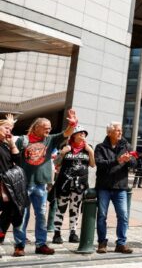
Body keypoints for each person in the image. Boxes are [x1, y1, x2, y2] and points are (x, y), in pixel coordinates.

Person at [12, 109, 77, 257]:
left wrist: (72, 123)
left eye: (50, 127)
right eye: (45, 127)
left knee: (41, 215)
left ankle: (41, 244)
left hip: (41, 185)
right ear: (36, 127)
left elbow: (67, 133)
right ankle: (19, 245)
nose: (49, 129)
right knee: (22, 216)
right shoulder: (23, 140)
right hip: (24, 185)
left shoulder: (50, 139)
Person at [95, 122, 134, 254]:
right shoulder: (100, 147)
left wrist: (129, 160)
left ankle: (121, 244)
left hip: (120, 187)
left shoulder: (126, 146)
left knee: (123, 216)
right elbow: (100, 164)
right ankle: (102, 242)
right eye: (117, 130)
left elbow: (135, 163)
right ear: (109, 132)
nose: (120, 133)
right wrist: (118, 160)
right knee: (101, 216)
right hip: (104, 187)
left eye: (121, 130)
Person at [52, 125, 95, 244]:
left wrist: (91, 152)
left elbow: (92, 164)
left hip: (79, 185)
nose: (83, 135)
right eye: (81, 132)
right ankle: (57, 233)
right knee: (61, 208)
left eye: (85, 133)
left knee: (75, 209)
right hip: (64, 183)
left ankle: (73, 233)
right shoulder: (66, 147)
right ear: (74, 135)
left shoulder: (88, 148)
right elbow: (56, 164)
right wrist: (62, 153)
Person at [0, 114, 27, 255]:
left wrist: (11, 144)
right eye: (6, 128)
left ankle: (2, 238)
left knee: (11, 212)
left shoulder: (6, 145)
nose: (9, 131)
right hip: (2, 185)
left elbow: (18, 162)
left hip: (8, 186)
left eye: (11, 129)